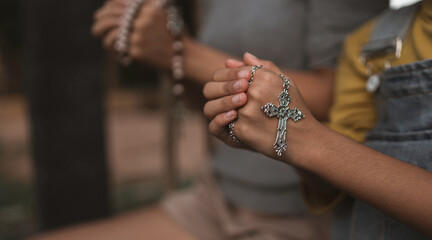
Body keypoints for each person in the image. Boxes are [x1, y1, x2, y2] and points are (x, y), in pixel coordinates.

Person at [90, 0, 392, 239]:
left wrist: (179, 51)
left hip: (302, 216)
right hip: (219, 197)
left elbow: (341, 96)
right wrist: (164, 56)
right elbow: (210, 103)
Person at [203, 0, 432, 238]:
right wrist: (289, 146)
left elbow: (317, 145)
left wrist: (308, 140)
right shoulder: (369, 46)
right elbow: (335, 192)